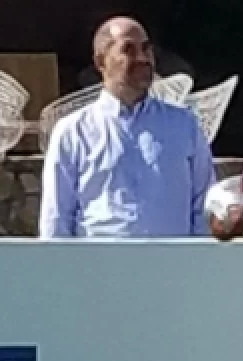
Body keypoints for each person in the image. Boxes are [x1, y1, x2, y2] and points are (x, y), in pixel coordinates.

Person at [39, 17, 216, 238]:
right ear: (101, 61)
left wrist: (201, 255)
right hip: (98, 259)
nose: (142, 58)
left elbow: (205, 204)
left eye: (146, 49)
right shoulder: (73, 131)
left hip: (171, 259)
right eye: (129, 50)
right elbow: (56, 217)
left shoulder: (183, 125)